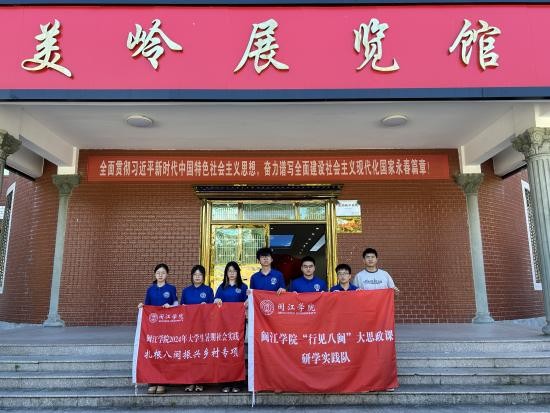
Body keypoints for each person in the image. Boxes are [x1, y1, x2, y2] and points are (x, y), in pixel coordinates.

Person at [137, 263, 178, 395]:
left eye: (163, 273)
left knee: (163, 352)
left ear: (167, 275)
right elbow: (147, 306)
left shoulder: (171, 288)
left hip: (166, 326)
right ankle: (152, 381)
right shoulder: (150, 289)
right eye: (158, 273)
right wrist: (142, 306)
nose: (160, 275)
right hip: (153, 327)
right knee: (152, 352)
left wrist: (170, 306)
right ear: (155, 274)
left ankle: (162, 382)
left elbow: (176, 304)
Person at [213, 261, 248, 393]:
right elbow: (215, 301)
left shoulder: (243, 287)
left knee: (237, 351)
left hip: (238, 326)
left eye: (234, 271)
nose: (232, 273)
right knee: (225, 351)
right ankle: (226, 382)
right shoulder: (221, 287)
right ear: (226, 273)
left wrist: (247, 302)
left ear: (238, 272)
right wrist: (217, 301)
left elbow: (247, 302)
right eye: (229, 271)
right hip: (224, 325)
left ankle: (237, 382)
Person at [180, 264, 214, 392]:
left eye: (200, 275)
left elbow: (213, 310)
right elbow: (181, 308)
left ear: (203, 277)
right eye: (195, 275)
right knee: (190, 355)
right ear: (192, 276)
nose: (197, 277)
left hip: (203, 328)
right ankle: (190, 381)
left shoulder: (208, 290)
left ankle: (200, 381)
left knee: (201, 355)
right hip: (189, 328)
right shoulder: (186, 291)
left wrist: (207, 306)